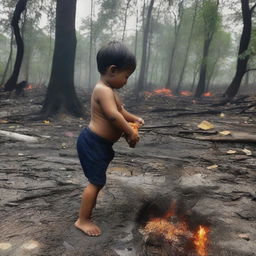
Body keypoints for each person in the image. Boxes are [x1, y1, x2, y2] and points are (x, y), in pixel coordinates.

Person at [75, 41, 144, 237]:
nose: (126, 81)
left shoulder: (109, 90)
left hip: (101, 145)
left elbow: (120, 111)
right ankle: (83, 219)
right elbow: (113, 117)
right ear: (112, 70)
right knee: (95, 182)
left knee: (98, 181)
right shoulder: (102, 90)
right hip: (93, 144)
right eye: (126, 76)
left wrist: (134, 119)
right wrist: (130, 132)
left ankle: (86, 214)